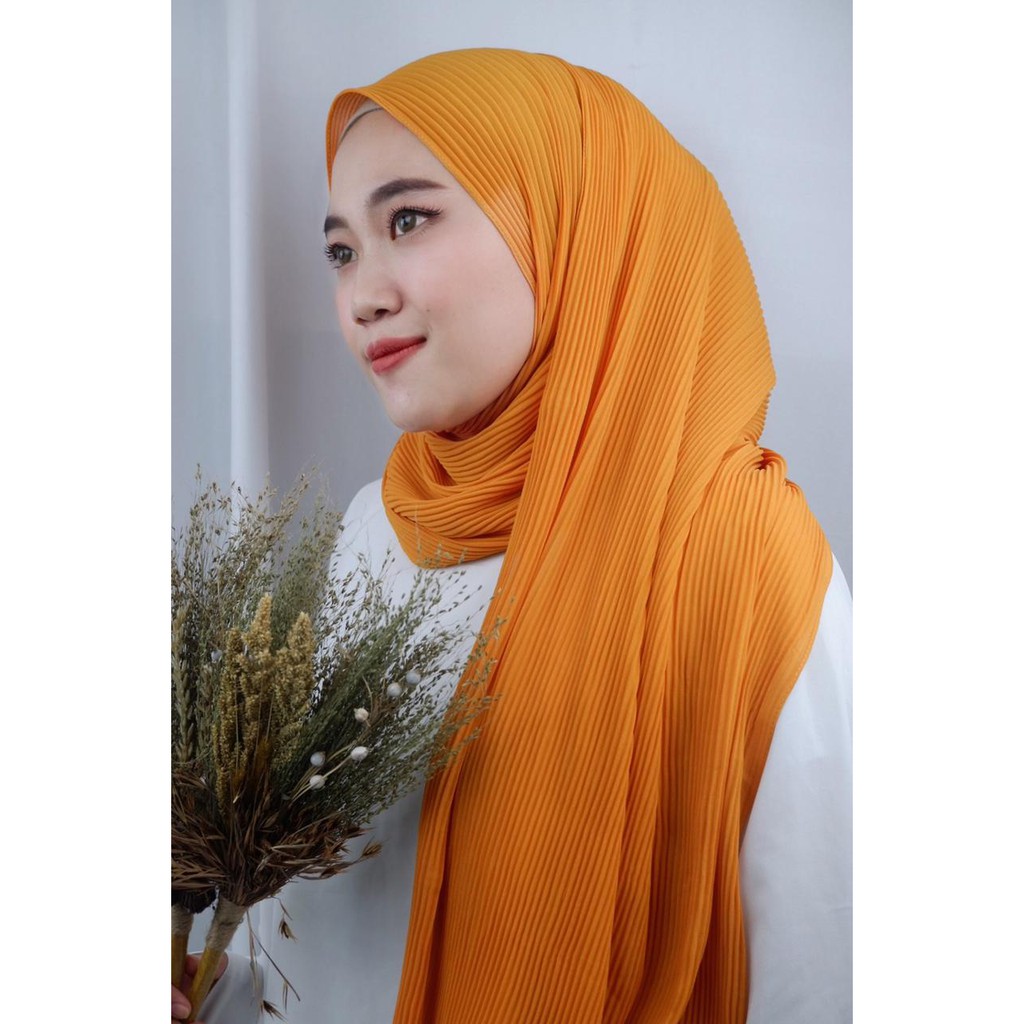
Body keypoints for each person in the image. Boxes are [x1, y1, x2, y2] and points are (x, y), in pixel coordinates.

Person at [172, 47, 851, 1023]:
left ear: (573, 225)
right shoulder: (377, 530)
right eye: (341, 250)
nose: (362, 294)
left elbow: (828, 967)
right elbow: (319, 937)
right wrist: (212, 992)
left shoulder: (740, 553)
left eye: (408, 219)